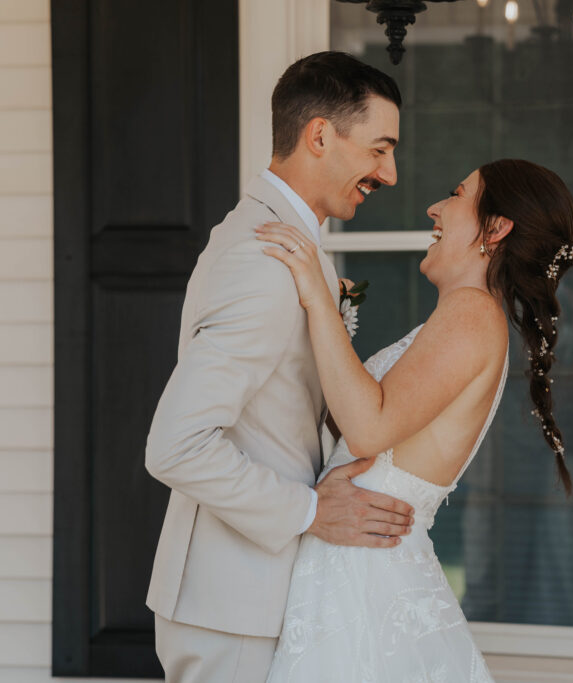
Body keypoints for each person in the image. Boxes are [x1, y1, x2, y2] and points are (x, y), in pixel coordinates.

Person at [144, 51, 415, 683]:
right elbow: (177, 446)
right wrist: (310, 511)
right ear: (320, 135)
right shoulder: (265, 258)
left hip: (256, 595)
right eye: (379, 149)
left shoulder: (274, 239)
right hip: (234, 606)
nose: (392, 173)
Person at [254, 158, 573, 681]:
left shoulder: (472, 311)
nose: (435, 207)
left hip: (366, 582)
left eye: (456, 193)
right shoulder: (467, 315)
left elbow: (368, 430)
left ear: (495, 228)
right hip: (354, 566)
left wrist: (317, 295)